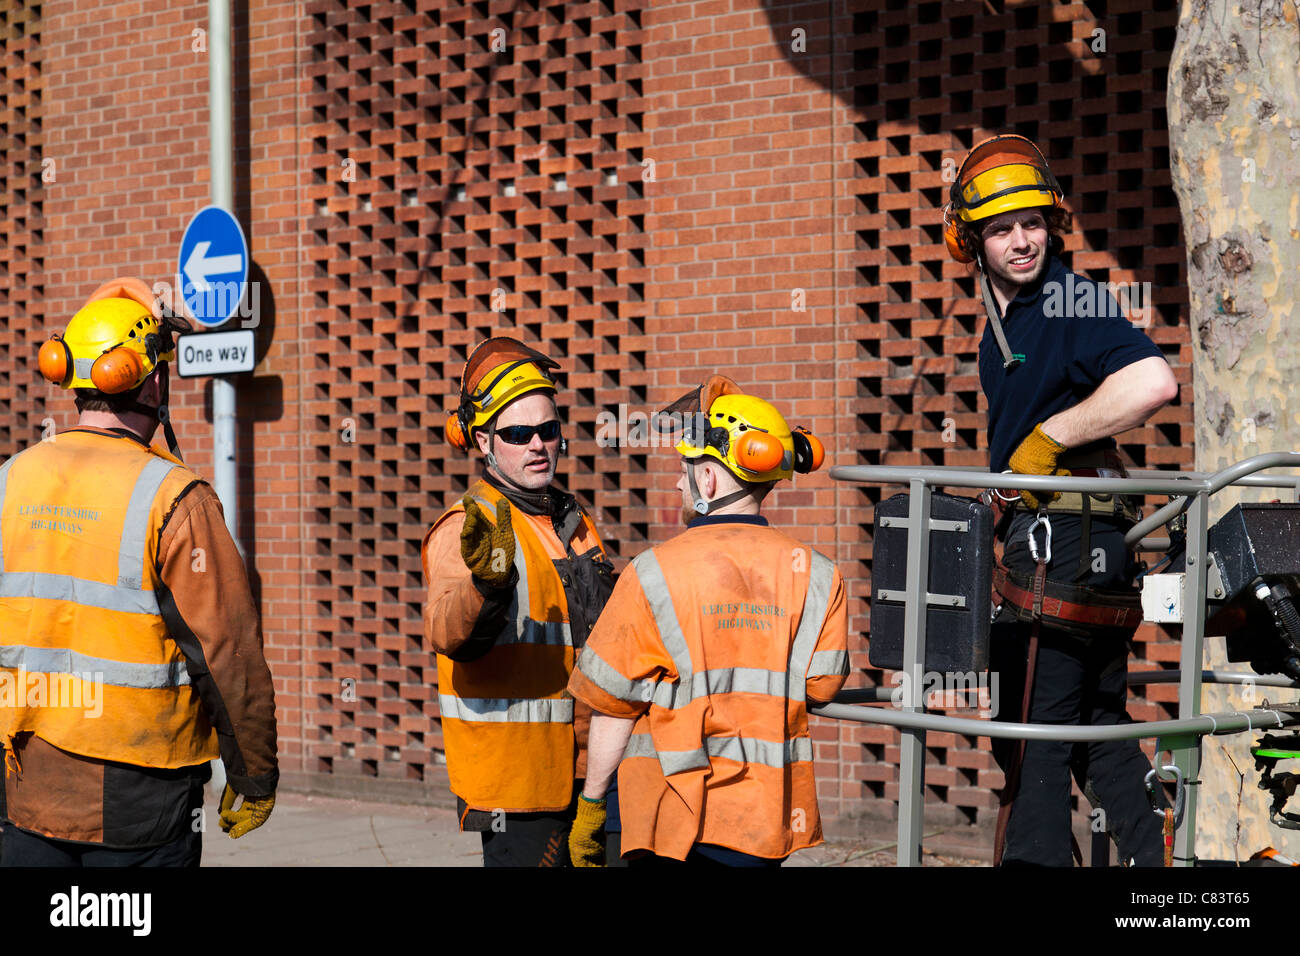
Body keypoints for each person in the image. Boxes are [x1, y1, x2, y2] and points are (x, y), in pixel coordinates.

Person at [945, 134, 1179, 866]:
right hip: (1077, 542)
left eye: (1033, 223)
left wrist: (1050, 439)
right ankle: (1163, 874)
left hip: (1061, 544)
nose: (1021, 241)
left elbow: (1153, 382)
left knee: (1031, 735)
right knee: (1093, 727)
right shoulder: (1010, 318)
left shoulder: (1067, 298)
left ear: (1056, 223)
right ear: (972, 242)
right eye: (1001, 229)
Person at [0, 276, 278, 867]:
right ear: (154, 380)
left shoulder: (10, 480)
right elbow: (227, 652)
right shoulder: (175, 496)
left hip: (25, 788)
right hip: (140, 799)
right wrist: (253, 775)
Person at [566, 377, 847, 866]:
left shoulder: (653, 572)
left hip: (666, 817)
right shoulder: (820, 575)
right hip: (762, 818)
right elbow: (821, 687)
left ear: (709, 481)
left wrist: (591, 804)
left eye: (685, 468)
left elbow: (613, 705)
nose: (678, 481)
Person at [422, 337, 615, 867]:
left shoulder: (573, 522)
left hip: (593, 771)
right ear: (484, 442)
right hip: (519, 787)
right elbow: (445, 629)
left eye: (548, 430)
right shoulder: (468, 527)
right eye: (517, 433)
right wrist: (486, 586)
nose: (537, 444)